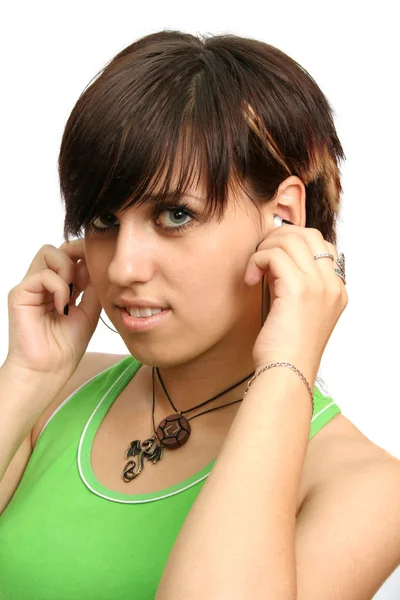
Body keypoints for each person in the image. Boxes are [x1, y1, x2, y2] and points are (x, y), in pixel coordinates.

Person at [0, 29, 399, 600]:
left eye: (175, 215)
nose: (123, 267)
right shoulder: (56, 395)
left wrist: (288, 365)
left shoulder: (366, 488)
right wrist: (26, 377)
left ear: (283, 216)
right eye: (106, 220)